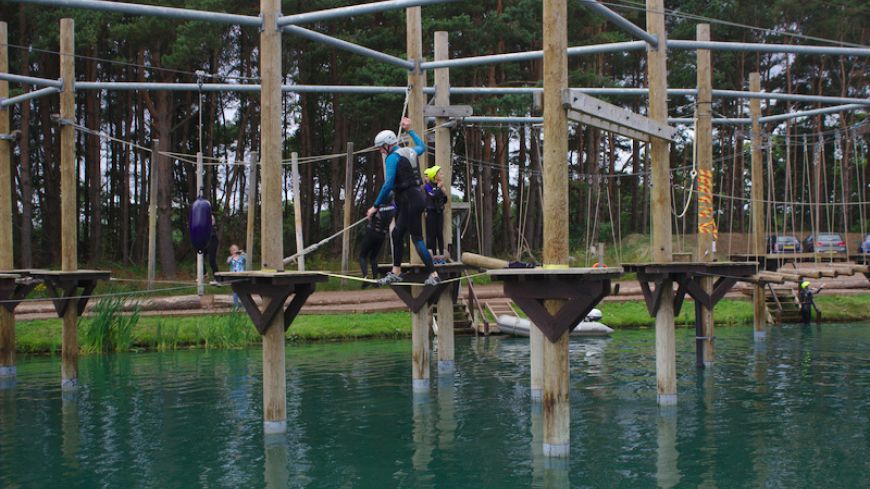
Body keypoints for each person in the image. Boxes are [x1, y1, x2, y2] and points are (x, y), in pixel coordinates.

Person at [368, 117, 441, 287]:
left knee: (417, 239)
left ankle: (434, 274)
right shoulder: (410, 151)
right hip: (416, 198)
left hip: (409, 201)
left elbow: (388, 184)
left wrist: (375, 206)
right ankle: (396, 272)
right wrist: (410, 130)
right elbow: (422, 146)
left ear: (387, 144)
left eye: (381, 148)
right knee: (397, 233)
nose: (380, 151)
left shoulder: (392, 158)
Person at [358, 196, 397, 288]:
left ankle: (366, 278)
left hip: (372, 232)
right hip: (382, 235)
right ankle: (376, 281)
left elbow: (369, 216)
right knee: (373, 257)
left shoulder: (378, 206)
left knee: (362, 255)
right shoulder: (394, 207)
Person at [423, 165, 448, 260]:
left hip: (439, 212)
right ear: (435, 175)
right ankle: (433, 255)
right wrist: (438, 188)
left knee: (439, 233)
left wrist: (444, 193)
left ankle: (441, 255)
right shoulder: (427, 186)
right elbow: (432, 195)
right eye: (440, 174)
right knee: (432, 234)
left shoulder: (439, 186)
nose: (442, 175)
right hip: (431, 212)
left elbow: (443, 200)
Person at [206, 215, 220, 285]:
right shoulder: (206, 226)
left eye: (213, 220)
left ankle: (217, 279)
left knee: (212, 261)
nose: (211, 221)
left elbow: (212, 233)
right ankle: (204, 273)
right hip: (207, 243)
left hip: (213, 243)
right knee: (200, 254)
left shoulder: (214, 227)